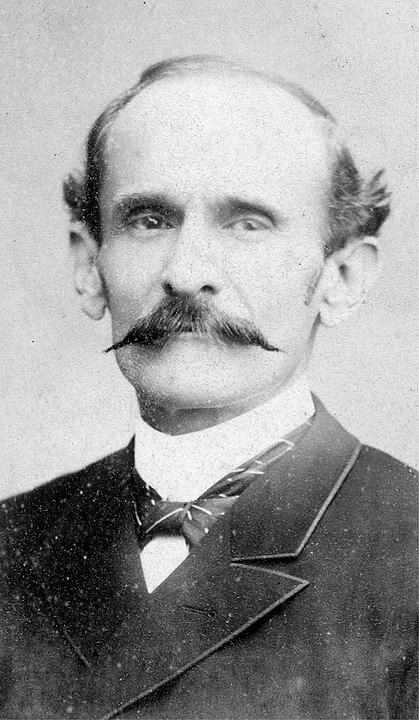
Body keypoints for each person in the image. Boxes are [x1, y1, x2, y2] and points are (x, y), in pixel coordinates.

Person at [0, 55, 416, 720]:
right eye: (149, 220)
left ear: (341, 279)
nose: (187, 271)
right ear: (88, 266)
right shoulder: (12, 541)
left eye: (248, 223)